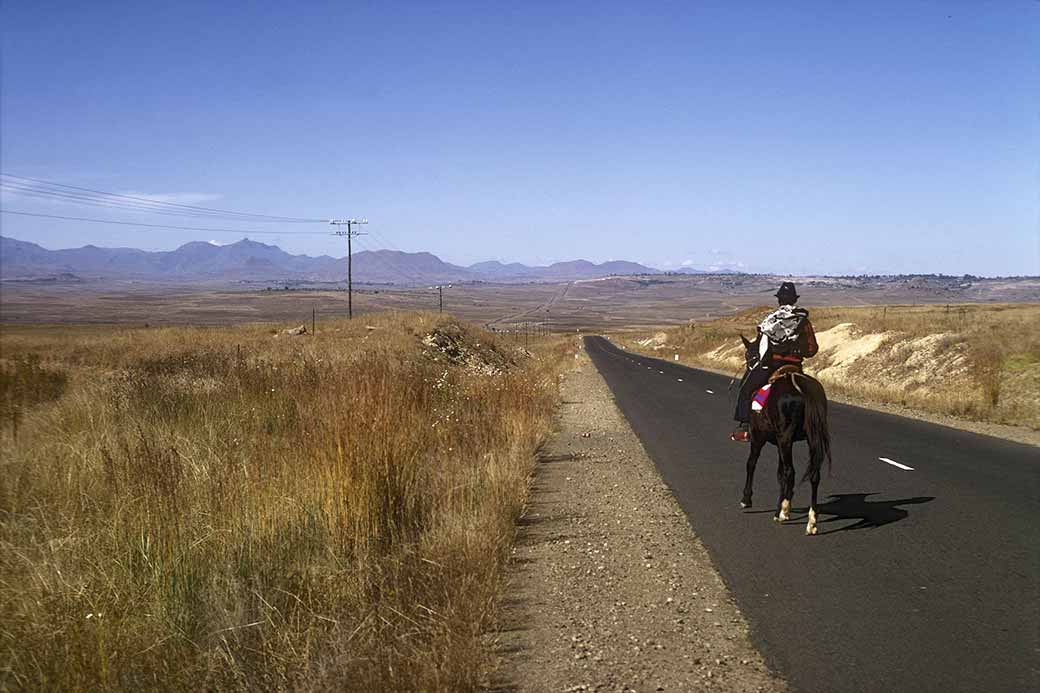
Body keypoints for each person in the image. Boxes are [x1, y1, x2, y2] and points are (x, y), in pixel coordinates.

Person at [730, 282, 818, 442]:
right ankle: (814, 426)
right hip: (795, 367)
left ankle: (744, 425)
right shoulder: (804, 321)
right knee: (812, 394)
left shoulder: (770, 321)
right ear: (794, 300)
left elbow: (759, 346)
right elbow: (812, 349)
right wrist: (799, 351)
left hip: (772, 365)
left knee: (746, 389)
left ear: (779, 301)